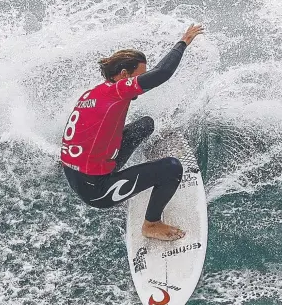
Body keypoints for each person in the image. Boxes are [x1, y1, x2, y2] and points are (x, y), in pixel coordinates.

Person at [60, 24, 204, 241]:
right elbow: (162, 73)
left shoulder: (93, 93)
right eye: (139, 77)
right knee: (172, 168)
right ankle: (151, 224)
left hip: (75, 173)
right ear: (124, 75)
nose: (142, 85)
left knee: (145, 124)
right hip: (97, 190)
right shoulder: (119, 90)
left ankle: (140, 174)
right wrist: (183, 42)